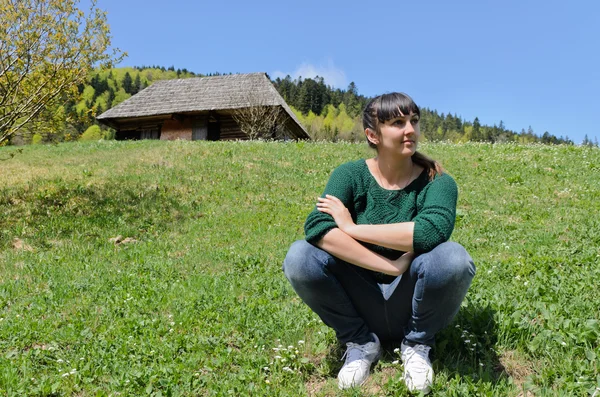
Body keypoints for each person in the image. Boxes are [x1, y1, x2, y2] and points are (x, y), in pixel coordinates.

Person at [282, 92, 476, 393]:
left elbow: (430, 232)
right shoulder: (349, 175)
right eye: (398, 123)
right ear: (372, 134)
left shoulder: (437, 181)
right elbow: (318, 227)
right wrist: (391, 265)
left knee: (453, 259)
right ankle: (360, 342)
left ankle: (417, 344)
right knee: (299, 257)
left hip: (411, 301)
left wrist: (351, 227)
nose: (410, 129)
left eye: (414, 121)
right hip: (361, 300)